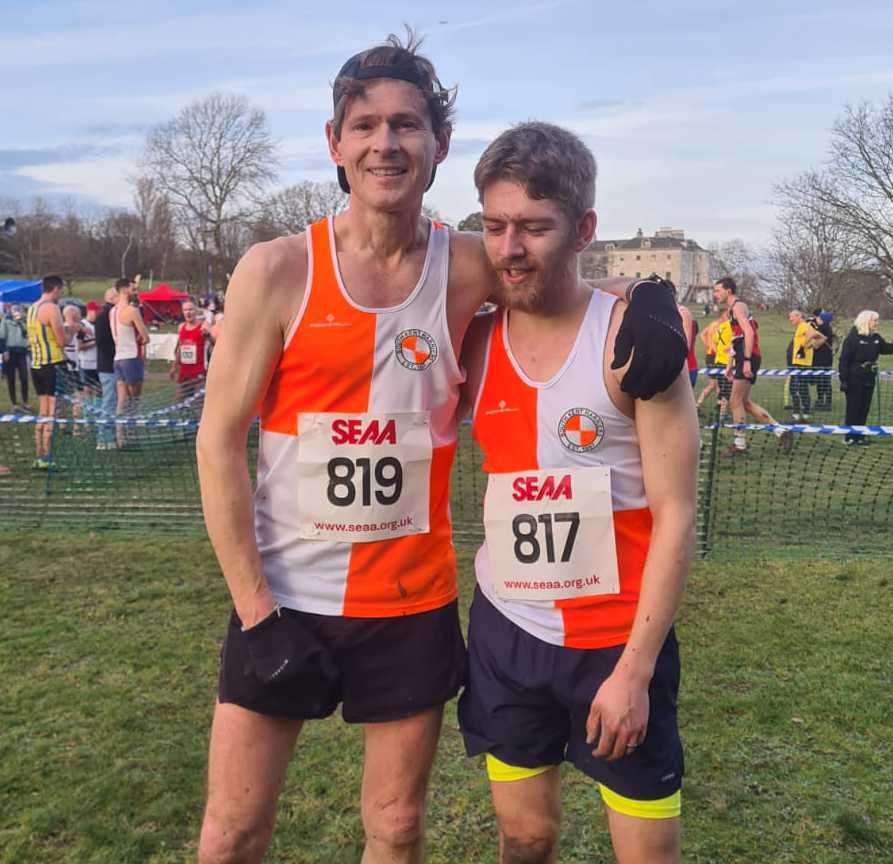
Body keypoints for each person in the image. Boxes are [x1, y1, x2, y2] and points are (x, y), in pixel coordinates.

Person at [195, 33, 688, 864]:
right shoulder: (277, 268)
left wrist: (650, 294)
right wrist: (253, 609)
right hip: (282, 596)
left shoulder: (466, 264)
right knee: (233, 829)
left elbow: (553, 271)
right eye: (365, 126)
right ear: (336, 144)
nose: (386, 143)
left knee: (394, 829)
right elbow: (217, 445)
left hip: (407, 603)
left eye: (407, 125)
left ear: (437, 146)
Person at [457, 122, 697, 864]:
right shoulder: (470, 339)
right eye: (495, 227)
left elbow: (678, 513)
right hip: (507, 633)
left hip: (616, 644)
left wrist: (635, 669)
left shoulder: (634, 345)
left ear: (584, 228)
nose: (510, 248)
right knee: (525, 838)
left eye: (534, 227)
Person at [712, 278, 787, 454]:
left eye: (717, 290)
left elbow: (749, 332)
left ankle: (740, 445)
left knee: (734, 401)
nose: (715, 294)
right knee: (744, 402)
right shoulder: (732, 310)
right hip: (743, 357)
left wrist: (745, 361)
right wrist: (730, 363)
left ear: (728, 291)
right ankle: (780, 431)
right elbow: (736, 339)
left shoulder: (738, 306)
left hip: (749, 357)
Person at [26, 275, 67, 469]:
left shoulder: (32, 308)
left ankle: (39, 455)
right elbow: (61, 340)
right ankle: (47, 456)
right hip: (52, 363)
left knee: (43, 410)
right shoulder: (52, 308)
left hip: (36, 364)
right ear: (56, 289)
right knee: (51, 411)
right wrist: (73, 330)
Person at [838, 310, 893, 445]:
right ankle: (850, 437)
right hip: (854, 378)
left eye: (877, 320)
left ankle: (860, 436)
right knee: (854, 408)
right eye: (874, 320)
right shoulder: (852, 338)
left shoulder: (875, 338)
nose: (877, 323)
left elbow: (886, 349)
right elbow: (844, 361)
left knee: (864, 408)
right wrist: (844, 380)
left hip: (869, 378)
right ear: (866, 321)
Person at [111, 278, 148, 447]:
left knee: (121, 400)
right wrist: (142, 337)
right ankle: (132, 433)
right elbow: (145, 336)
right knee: (134, 400)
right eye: (133, 289)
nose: (135, 291)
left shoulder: (112, 311)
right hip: (131, 357)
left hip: (118, 358)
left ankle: (120, 436)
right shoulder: (132, 310)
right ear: (125, 290)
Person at [94, 287, 119, 450]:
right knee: (109, 401)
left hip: (109, 364)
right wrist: (116, 354)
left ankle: (111, 436)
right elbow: (102, 341)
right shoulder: (105, 315)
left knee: (112, 400)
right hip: (108, 365)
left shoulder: (108, 313)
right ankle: (104, 438)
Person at [786, 310, 823, 422]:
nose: (790, 319)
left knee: (799, 388)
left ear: (799, 316)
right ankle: (798, 412)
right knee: (796, 388)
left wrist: (803, 346)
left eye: (791, 317)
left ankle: (803, 413)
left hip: (801, 364)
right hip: (797, 363)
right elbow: (821, 338)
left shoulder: (804, 326)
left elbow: (817, 335)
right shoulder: (801, 327)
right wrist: (812, 345)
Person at [170, 299, 207, 400]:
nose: (188, 312)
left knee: (198, 403)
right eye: (185, 310)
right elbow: (179, 349)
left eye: (190, 309)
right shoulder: (181, 327)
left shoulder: (203, 326)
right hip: (184, 371)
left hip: (199, 371)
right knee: (179, 402)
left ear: (196, 311)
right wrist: (174, 366)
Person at [0, 304, 32, 411]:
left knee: (24, 377)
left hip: (22, 352)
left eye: (19, 310)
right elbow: (2, 337)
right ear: (11, 311)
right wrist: (4, 351)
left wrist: (21, 323)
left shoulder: (25, 321)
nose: (17, 312)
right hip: (10, 352)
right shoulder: (6, 320)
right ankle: (14, 403)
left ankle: (25, 402)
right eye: (15, 310)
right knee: (11, 378)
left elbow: (28, 334)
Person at [810, 309, 835, 411]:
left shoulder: (822, 328)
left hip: (821, 358)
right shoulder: (828, 328)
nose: (817, 319)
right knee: (825, 380)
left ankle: (822, 401)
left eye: (819, 318)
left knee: (822, 380)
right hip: (827, 358)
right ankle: (825, 401)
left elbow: (814, 343)